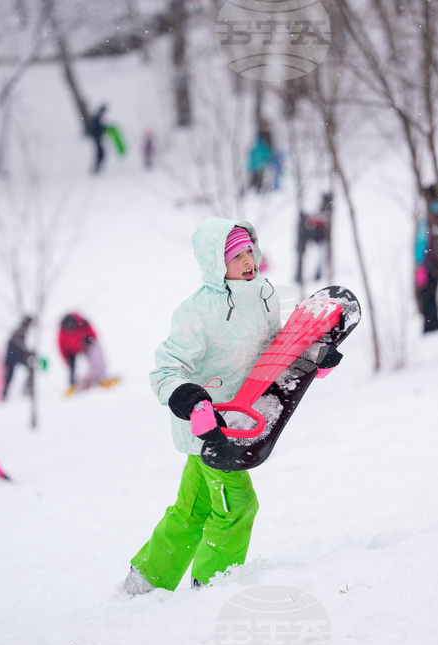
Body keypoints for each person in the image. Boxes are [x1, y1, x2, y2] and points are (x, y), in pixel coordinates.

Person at [124, 219, 283, 595]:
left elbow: (273, 347)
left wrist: (312, 360)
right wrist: (190, 400)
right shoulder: (196, 311)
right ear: (215, 263)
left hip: (238, 418)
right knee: (237, 505)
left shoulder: (263, 294)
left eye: (249, 251)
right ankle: (213, 586)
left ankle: (146, 579)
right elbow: (166, 369)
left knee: (193, 509)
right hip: (206, 426)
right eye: (236, 256)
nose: (248, 260)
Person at [414, 184, 438, 333]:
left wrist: (419, 261)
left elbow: (422, 240)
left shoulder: (434, 215)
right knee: (429, 295)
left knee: (427, 296)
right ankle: (432, 325)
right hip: (434, 262)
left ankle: (431, 327)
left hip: (428, 262)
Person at [58, 312, 97, 389]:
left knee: (94, 360)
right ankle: (72, 385)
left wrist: (89, 341)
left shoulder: (83, 324)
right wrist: (66, 359)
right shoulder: (62, 332)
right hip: (70, 352)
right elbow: (61, 347)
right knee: (72, 368)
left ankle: (96, 377)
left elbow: (93, 335)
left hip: (84, 346)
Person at [2, 315, 34, 400]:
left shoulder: (22, 330)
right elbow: (19, 345)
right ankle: (4, 394)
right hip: (13, 357)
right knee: (9, 376)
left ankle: (5, 394)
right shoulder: (21, 331)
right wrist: (28, 352)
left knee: (10, 376)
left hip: (14, 357)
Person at [86, 104, 108, 174]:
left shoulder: (97, 116)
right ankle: (96, 168)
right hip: (97, 138)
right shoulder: (97, 117)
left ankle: (97, 168)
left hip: (97, 138)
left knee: (100, 153)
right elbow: (97, 128)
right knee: (101, 153)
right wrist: (103, 130)